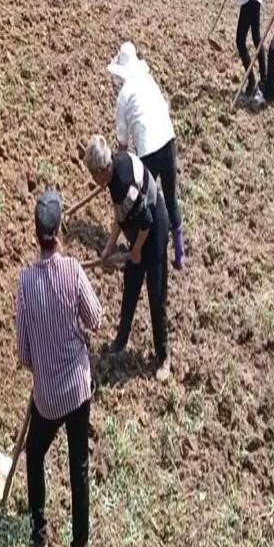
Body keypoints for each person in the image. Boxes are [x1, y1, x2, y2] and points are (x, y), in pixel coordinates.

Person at [14, 189, 102, 547]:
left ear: (36, 234)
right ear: (61, 229)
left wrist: (42, 363)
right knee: (78, 465)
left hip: (47, 398)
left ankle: (38, 538)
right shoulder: (73, 271)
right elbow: (95, 319)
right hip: (78, 390)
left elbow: (23, 353)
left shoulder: (25, 283)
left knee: (34, 455)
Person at [84, 137, 171, 383]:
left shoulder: (122, 184)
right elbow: (120, 217)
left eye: (92, 174)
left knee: (156, 294)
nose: (92, 179)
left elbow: (146, 221)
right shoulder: (114, 172)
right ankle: (121, 340)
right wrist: (109, 247)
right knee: (131, 284)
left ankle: (163, 356)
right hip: (141, 228)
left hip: (154, 229)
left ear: (101, 170)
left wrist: (137, 251)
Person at [108, 42, 184, 270]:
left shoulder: (123, 97)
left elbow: (122, 145)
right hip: (168, 141)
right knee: (170, 197)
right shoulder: (149, 81)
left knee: (145, 203)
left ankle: (146, 248)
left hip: (149, 150)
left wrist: (118, 174)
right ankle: (180, 252)